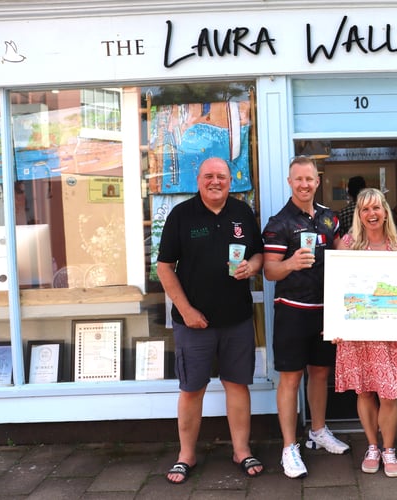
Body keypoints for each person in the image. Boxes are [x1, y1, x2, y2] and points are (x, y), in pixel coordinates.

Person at [157, 157, 265, 484]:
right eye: (209, 176)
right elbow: (164, 267)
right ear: (198, 179)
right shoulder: (182, 215)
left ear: (230, 180)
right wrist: (186, 310)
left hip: (237, 318)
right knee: (192, 389)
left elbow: (258, 252)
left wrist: (254, 266)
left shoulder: (243, 212)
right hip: (194, 322)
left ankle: (241, 450)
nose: (215, 181)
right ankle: (186, 455)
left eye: (221, 176)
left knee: (237, 385)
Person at [262, 156, 350, 479]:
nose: (304, 184)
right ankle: (289, 447)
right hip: (292, 311)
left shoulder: (330, 219)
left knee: (320, 373)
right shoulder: (278, 222)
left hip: (325, 311)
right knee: (290, 378)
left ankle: (317, 431)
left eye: (309, 179)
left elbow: (343, 254)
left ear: (317, 180)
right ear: (289, 182)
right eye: (298, 179)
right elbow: (270, 271)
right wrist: (290, 264)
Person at [332, 188, 397, 478]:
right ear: (358, 214)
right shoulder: (347, 244)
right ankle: (372, 446)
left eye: (376, 208)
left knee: (389, 395)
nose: (372, 214)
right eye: (365, 209)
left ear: (385, 211)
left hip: (390, 335)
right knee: (365, 391)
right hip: (356, 334)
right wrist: (335, 324)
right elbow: (336, 288)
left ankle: (389, 449)